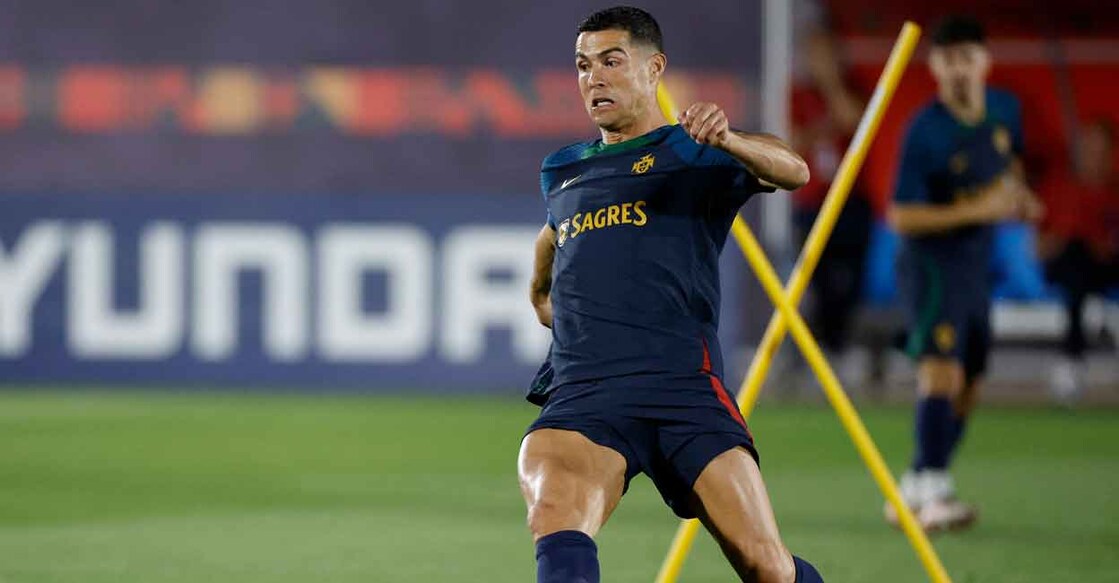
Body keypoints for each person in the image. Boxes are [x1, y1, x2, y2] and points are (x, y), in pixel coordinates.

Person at [518, 6, 823, 583]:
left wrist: (729, 139)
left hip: (682, 388)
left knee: (766, 566)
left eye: (611, 61)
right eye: (583, 65)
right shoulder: (562, 170)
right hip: (587, 391)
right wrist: (543, 294)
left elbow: (793, 171)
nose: (594, 78)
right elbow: (554, 237)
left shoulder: (696, 153)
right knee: (555, 514)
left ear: (654, 67)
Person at [887, 16, 1042, 532]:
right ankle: (935, 490)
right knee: (941, 371)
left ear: (984, 62)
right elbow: (901, 216)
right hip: (931, 265)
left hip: (977, 266)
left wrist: (1019, 197)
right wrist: (979, 209)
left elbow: (1009, 166)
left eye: (966, 58)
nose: (958, 69)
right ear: (934, 66)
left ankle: (915, 484)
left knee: (970, 382)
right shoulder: (924, 131)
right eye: (948, 59)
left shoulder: (1005, 110)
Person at [1039, 119, 1119, 402]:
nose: (1093, 156)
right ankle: (1071, 362)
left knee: (1082, 262)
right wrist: (1064, 235)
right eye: (1088, 148)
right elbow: (1038, 247)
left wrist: (1103, 245)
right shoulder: (1059, 189)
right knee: (1075, 257)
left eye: (1100, 150)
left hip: (1106, 268)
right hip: (1064, 267)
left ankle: (1073, 358)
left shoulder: (1113, 192)